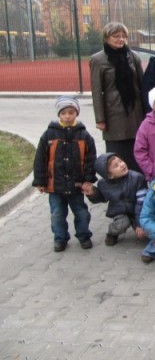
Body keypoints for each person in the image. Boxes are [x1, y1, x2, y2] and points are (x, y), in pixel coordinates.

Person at [33, 96, 97, 252]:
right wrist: (40, 181)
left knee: (81, 212)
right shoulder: (48, 135)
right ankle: (60, 238)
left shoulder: (84, 136)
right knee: (57, 214)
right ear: (58, 115)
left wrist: (88, 180)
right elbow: (40, 159)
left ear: (76, 113)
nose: (67, 116)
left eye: (71, 112)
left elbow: (90, 160)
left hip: (77, 185)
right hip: (55, 185)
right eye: (64, 113)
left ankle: (84, 236)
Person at [89, 22, 145, 172]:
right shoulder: (98, 59)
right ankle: (118, 189)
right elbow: (96, 91)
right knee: (117, 154)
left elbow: (142, 84)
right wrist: (100, 119)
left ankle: (137, 188)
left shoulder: (133, 57)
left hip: (135, 112)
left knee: (137, 153)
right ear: (107, 38)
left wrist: (147, 111)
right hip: (114, 115)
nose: (121, 39)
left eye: (123, 36)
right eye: (116, 36)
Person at [85, 153, 148, 246]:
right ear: (109, 175)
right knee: (121, 223)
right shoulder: (103, 184)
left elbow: (141, 204)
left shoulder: (137, 178)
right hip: (119, 211)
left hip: (138, 210)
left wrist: (139, 225)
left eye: (121, 161)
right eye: (116, 166)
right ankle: (112, 233)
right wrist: (92, 193)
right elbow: (102, 198)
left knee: (147, 230)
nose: (121, 165)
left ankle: (138, 225)